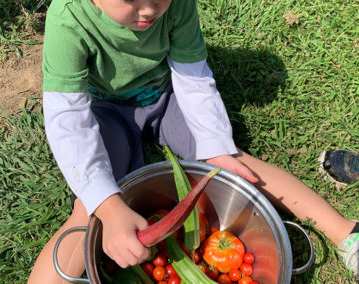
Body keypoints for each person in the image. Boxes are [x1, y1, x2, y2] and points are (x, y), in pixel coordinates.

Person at [28, 0, 359, 282]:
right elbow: (69, 120)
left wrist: (213, 145)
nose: (148, 10)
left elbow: (192, 77)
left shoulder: (177, 5)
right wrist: (108, 205)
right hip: (104, 112)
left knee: (234, 165)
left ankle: (346, 232)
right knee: (89, 211)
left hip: (167, 96)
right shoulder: (68, 18)